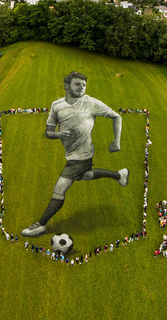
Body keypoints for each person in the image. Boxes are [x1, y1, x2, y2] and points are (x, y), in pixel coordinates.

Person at [22, 71, 128, 237]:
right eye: (77, 84)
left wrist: (117, 141)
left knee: (59, 189)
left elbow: (116, 116)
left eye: (84, 85)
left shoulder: (91, 103)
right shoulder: (57, 106)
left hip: (82, 156)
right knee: (86, 176)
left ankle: (40, 224)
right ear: (66, 86)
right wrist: (58, 134)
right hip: (71, 154)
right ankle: (119, 175)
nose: (82, 87)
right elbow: (48, 132)